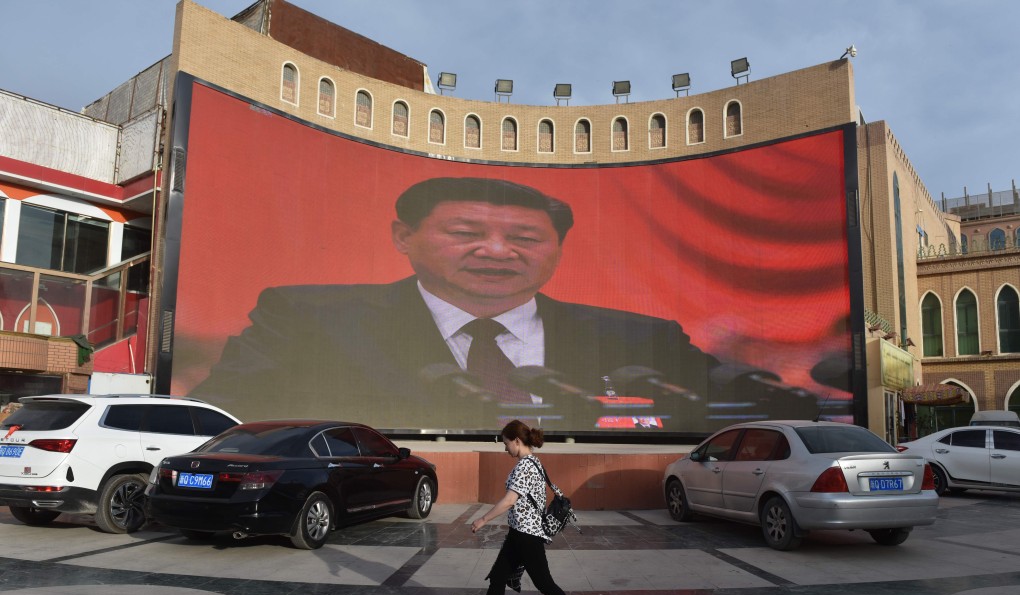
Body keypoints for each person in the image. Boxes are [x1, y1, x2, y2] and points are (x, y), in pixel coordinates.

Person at [190, 177, 759, 431]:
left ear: (558, 250)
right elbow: (221, 411)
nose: (497, 252)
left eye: (526, 239)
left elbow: (735, 403)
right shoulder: (308, 318)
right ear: (402, 236)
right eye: (465, 232)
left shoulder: (642, 337)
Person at [454, 419, 587, 595]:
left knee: (544, 582)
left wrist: (483, 519)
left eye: (506, 443)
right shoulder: (534, 462)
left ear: (517, 441)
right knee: (498, 576)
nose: (505, 448)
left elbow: (509, 500)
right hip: (518, 534)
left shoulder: (525, 466)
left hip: (527, 535)